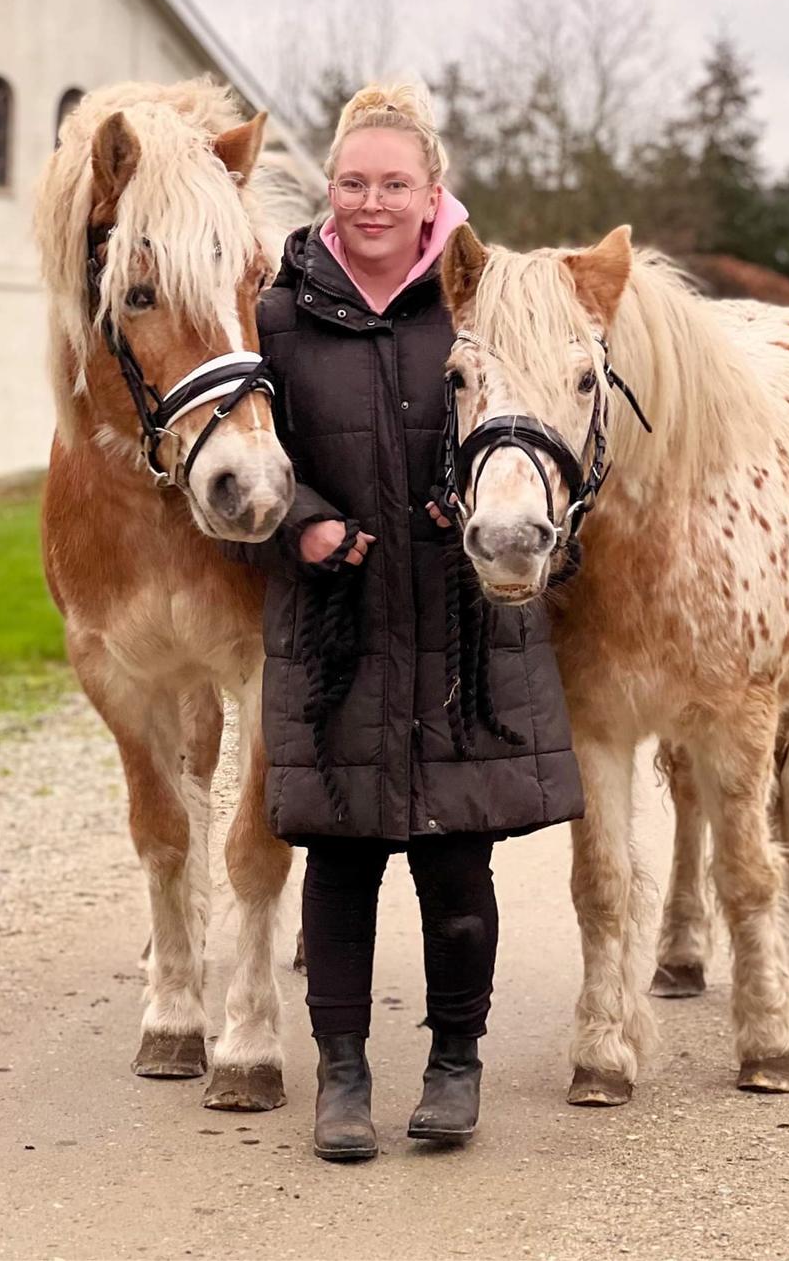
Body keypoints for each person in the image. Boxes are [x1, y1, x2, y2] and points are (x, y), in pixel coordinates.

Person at [226, 82, 583, 1162]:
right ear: (328, 190)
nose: (372, 201)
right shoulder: (275, 312)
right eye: (353, 182)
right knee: (339, 856)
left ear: (434, 193)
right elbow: (242, 452)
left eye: (394, 183)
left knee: (456, 858)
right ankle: (342, 1077)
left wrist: (480, 500)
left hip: (463, 621)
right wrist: (307, 524)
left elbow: (555, 428)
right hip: (333, 622)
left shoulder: (486, 301)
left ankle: (455, 1065)